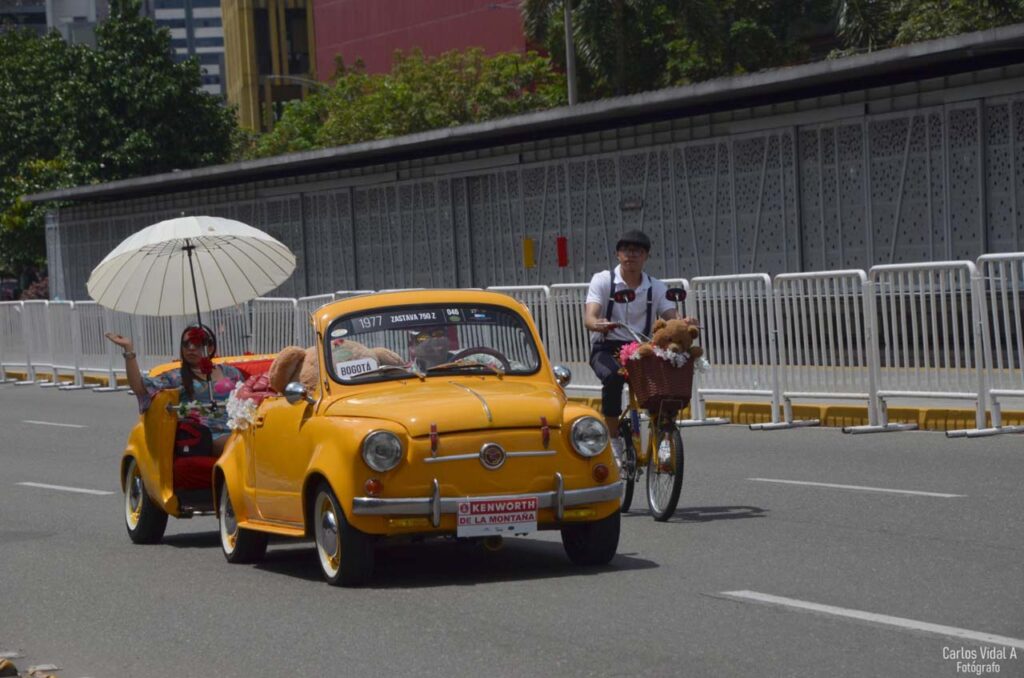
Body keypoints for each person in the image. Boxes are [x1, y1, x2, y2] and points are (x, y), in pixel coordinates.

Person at [584, 230, 684, 462]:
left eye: (637, 251)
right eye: (626, 250)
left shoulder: (656, 286)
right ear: (618, 254)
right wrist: (598, 324)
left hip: (642, 347)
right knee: (613, 378)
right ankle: (613, 438)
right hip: (607, 347)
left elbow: (671, 315)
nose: (631, 255)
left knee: (667, 385)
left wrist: (681, 324)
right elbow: (590, 316)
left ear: (646, 256)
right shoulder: (603, 280)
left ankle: (664, 437)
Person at [105, 324, 244, 455]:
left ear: (211, 347)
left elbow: (251, 399)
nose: (190, 348)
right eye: (186, 344)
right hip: (206, 436)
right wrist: (128, 350)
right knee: (238, 445)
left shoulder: (232, 373)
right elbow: (140, 388)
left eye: (197, 343)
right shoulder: (176, 376)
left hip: (239, 429)